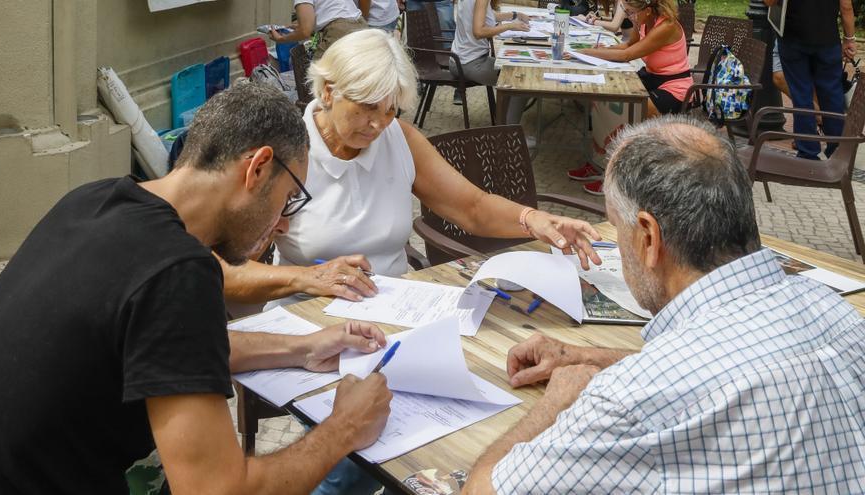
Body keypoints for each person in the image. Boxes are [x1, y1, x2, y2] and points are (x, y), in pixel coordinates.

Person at [0, 83, 395, 494]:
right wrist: (344, 428)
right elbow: (214, 490)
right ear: (257, 168)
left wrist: (302, 347)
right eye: (289, 199)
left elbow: (172, 348)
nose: (283, 224)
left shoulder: (92, 201)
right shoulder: (179, 271)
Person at [462, 115, 865, 494]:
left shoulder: (629, 401)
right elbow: (718, 368)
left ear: (648, 238)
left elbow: (481, 490)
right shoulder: (839, 314)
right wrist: (582, 354)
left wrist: (554, 406)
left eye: (616, 230)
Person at [219, 29, 603, 310]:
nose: (377, 124)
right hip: (309, 315)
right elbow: (229, 274)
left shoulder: (398, 138)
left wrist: (532, 218)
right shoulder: (286, 151)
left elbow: (471, 207)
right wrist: (304, 278)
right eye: (367, 106)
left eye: (390, 110)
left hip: (396, 309)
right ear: (329, 90)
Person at [566, 0, 693, 196]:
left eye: (632, 12)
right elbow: (627, 45)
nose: (630, 16)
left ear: (648, 10)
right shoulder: (643, 20)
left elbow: (627, 55)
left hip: (675, 88)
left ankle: (615, 178)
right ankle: (600, 162)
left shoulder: (666, 26)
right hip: (652, 77)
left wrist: (585, 53)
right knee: (603, 98)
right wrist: (596, 51)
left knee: (625, 108)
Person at [764, 0, 855, 160]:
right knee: (832, 95)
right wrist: (849, 38)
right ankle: (838, 150)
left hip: (793, 38)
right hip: (828, 39)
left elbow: (769, 2)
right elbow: (846, 6)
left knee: (801, 95)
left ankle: (808, 151)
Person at [450, 0, 530, 127]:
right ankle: (508, 134)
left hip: (460, 59)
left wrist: (515, 14)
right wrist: (510, 26)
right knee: (521, 82)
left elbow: (487, 14)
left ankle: (502, 122)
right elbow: (479, 32)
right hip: (469, 62)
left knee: (512, 71)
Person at [269, 0, 368, 59]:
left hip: (339, 31)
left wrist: (282, 39)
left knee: (317, 79)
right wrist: (305, 27)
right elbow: (331, 10)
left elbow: (305, 31)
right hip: (361, 26)